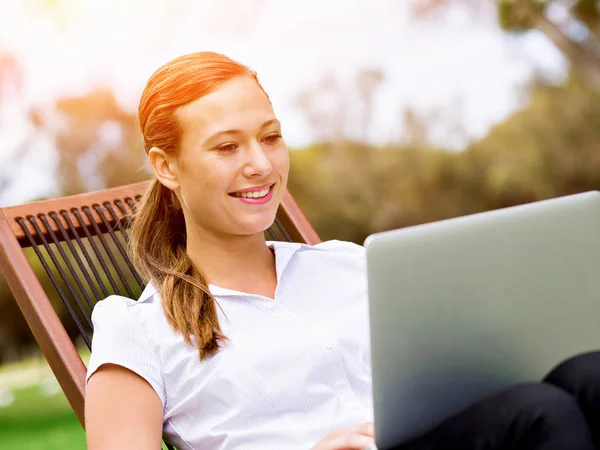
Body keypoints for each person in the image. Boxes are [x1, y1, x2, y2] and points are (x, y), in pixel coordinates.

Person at [84, 51, 600, 450]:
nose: (261, 164)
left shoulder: (347, 264)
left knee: (588, 373)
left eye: (271, 137)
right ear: (166, 166)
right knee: (538, 413)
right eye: (226, 147)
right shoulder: (138, 329)